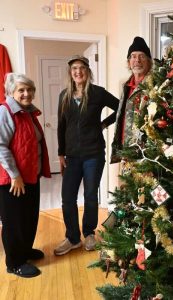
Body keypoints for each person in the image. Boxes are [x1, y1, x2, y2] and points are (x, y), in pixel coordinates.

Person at [54, 55, 119, 256]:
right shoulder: (64, 95)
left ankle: (89, 233)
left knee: (90, 196)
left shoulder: (97, 93)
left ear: (88, 71)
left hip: (93, 154)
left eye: (82, 68)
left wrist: (104, 124)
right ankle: (73, 238)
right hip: (72, 157)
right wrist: (61, 153)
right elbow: (61, 126)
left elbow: (120, 107)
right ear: (70, 72)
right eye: (74, 68)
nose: (78, 71)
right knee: (67, 198)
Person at [0, 73, 51, 278]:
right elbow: (1, 146)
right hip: (14, 180)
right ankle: (14, 262)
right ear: (11, 92)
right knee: (14, 222)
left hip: (30, 175)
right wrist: (15, 175)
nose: (26, 93)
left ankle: (25, 251)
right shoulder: (5, 112)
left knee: (29, 217)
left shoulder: (27, 112)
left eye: (29, 89)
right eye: (21, 90)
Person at [111, 36, 152, 163]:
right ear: (129, 62)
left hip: (144, 152)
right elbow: (121, 113)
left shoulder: (153, 85)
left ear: (148, 61)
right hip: (124, 148)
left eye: (142, 56)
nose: (137, 60)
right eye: (133, 56)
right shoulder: (125, 85)